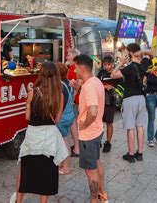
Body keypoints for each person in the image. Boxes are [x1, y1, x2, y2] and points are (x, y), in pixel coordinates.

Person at [14, 62, 68, 203]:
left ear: (41, 74)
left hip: (33, 137)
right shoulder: (60, 95)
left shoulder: (33, 91)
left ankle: (18, 201)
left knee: (25, 171)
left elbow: (27, 117)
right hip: (49, 139)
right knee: (46, 173)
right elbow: (56, 120)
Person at [75, 54, 108, 203]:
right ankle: (102, 193)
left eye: (75, 68)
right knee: (97, 162)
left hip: (88, 134)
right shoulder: (95, 81)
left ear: (81, 69)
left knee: (90, 170)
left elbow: (93, 111)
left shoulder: (88, 86)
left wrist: (84, 124)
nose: (74, 71)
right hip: (97, 131)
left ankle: (94, 199)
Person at [111, 43, 150, 163]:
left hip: (130, 99)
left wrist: (121, 62)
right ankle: (140, 153)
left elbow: (113, 74)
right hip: (141, 99)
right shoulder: (144, 64)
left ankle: (131, 154)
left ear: (130, 53)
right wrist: (141, 52)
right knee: (140, 126)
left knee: (130, 127)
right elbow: (150, 53)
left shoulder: (128, 68)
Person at [96, 55, 120, 153]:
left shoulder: (117, 74)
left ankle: (108, 142)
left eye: (108, 64)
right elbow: (96, 83)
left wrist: (112, 87)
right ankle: (98, 140)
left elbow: (121, 87)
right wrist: (103, 86)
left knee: (109, 123)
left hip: (110, 101)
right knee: (99, 122)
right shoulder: (101, 72)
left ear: (113, 64)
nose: (106, 66)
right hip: (100, 100)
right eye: (105, 64)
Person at [55, 62, 75, 174]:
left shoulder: (60, 86)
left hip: (62, 118)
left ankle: (66, 166)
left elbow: (59, 105)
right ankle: (63, 163)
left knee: (64, 142)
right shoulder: (68, 83)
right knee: (64, 140)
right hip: (69, 115)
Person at [66, 48, 81, 157]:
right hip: (76, 99)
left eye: (68, 55)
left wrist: (72, 99)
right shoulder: (73, 66)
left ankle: (77, 148)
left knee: (74, 124)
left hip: (76, 100)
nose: (67, 57)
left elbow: (78, 84)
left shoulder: (75, 68)